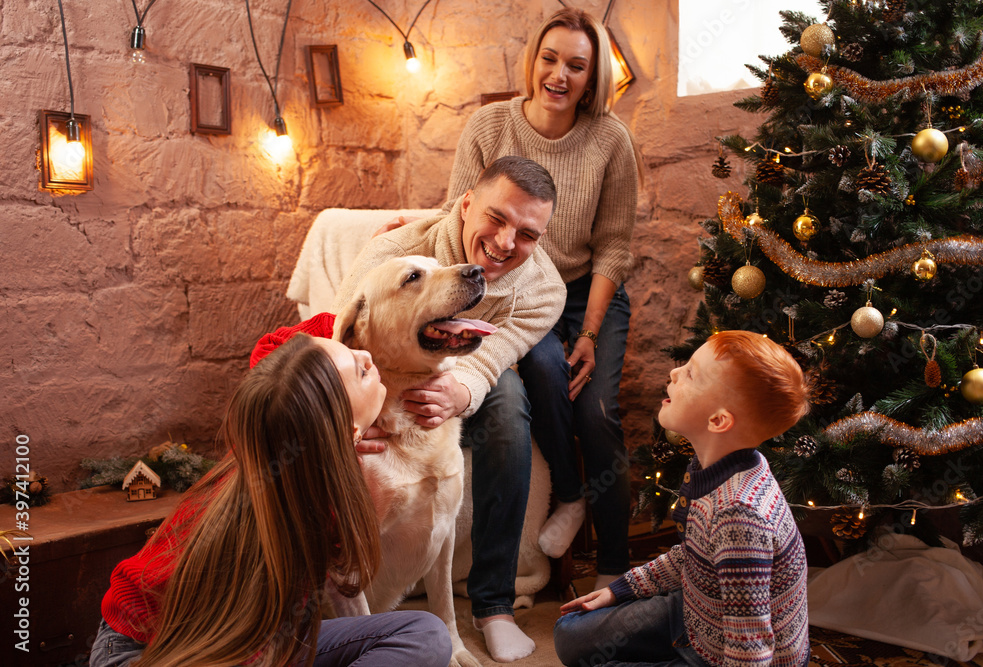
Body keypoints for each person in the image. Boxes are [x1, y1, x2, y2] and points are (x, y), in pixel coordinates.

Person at [90, 322, 452, 667]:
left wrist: (347, 325)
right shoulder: (270, 500)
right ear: (348, 428)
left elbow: (274, 347)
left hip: (260, 640)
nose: (366, 356)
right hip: (155, 649)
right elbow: (229, 640)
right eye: (358, 369)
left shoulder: (284, 436)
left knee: (425, 635)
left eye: (351, 348)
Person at [334, 155, 566, 663]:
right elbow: (338, 339)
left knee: (508, 405)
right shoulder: (393, 252)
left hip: (471, 369)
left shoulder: (545, 288)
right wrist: (344, 418)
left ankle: (494, 605)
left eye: (527, 234)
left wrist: (458, 391)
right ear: (465, 206)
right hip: (397, 378)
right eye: (496, 219)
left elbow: (496, 352)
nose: (506, 243)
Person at [444, 7, 642, 589]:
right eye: (549, 59)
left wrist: (588, 333)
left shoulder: (612, 140)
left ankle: (613, 573)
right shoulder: (487, 127)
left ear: (593, 76)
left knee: (598, 413)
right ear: (533, 62)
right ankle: (570, 491)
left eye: (576, 66)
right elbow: (459, 212)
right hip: (509, 286)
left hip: (586, 293)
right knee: (539, 359)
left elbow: (613, 246)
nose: (559, 75)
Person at [553, 330, 812, 667]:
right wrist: (619, 591)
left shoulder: (740, 515)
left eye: (690, 374)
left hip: (730, 655)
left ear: (718, 421)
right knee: (569, 635)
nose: (674, 373)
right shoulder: (710, 465)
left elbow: (750, 648)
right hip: (696, 611)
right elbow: (692, 554)